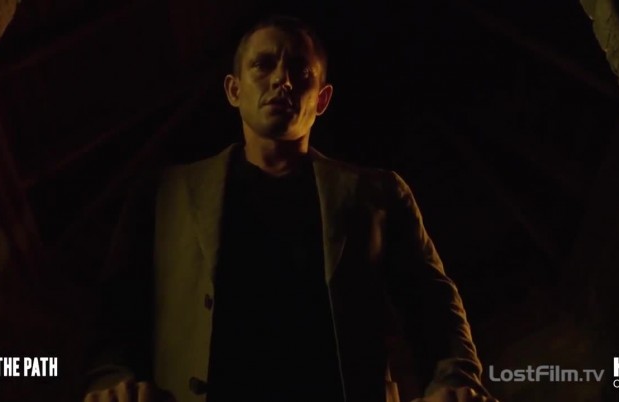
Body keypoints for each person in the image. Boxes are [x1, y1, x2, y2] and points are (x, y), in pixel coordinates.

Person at [83, 15, 497, 402]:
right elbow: (118, 306)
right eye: (263, 65)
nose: (282, 80)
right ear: (234, 90)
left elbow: (434, 305)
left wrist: (455, 381)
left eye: (301, 71)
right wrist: (110, 380)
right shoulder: (163, 193)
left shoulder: (377, 194)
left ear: (322, 98)